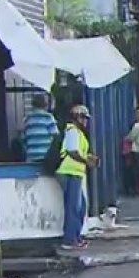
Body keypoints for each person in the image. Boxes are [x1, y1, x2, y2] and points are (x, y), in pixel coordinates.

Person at [56, 104, 98, 250]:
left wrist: (88, 157)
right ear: (77, 117)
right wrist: (87, 161)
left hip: (74, 172)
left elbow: (77, 151)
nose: (85, 121)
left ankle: (75, 236)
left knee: (80, 207)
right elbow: (72, 151)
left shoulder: (77, 133)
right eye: (84, 118)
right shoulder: (72, 131)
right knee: (74, 207)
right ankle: (70, 240)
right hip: (69, 172)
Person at [22, 93, 58, 164]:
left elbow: (23, 138)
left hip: (31, 155)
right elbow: (56, 136)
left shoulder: (27, 119)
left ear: (33, 104)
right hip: (46, 155)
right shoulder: (48, 117)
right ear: (45, 104)